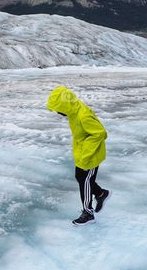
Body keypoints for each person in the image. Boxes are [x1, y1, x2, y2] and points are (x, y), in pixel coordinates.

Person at [46, 86, 110, 225]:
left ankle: (88, 213)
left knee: (85, 181)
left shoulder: (83, 115)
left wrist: (86, 154)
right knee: (81, 177)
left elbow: (100, 133)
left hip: (91, 154)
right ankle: (100, 194)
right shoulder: (74, 111)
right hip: (82, 152)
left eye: (58, 109)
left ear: (65, 105)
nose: (58, 112)